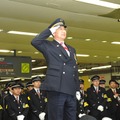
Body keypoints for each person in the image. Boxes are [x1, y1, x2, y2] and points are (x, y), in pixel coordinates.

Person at [31, 18, 80, 120]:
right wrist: (49, 30)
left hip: (70, 89)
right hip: (57, 88)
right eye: (60, 29)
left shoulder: (71, 49)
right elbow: (35, 41)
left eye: (64, 29)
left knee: (71, 117)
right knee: (56, 117)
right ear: (54, 32)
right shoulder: (48, 46)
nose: (63, 31)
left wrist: (77, 88)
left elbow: (74, 69)